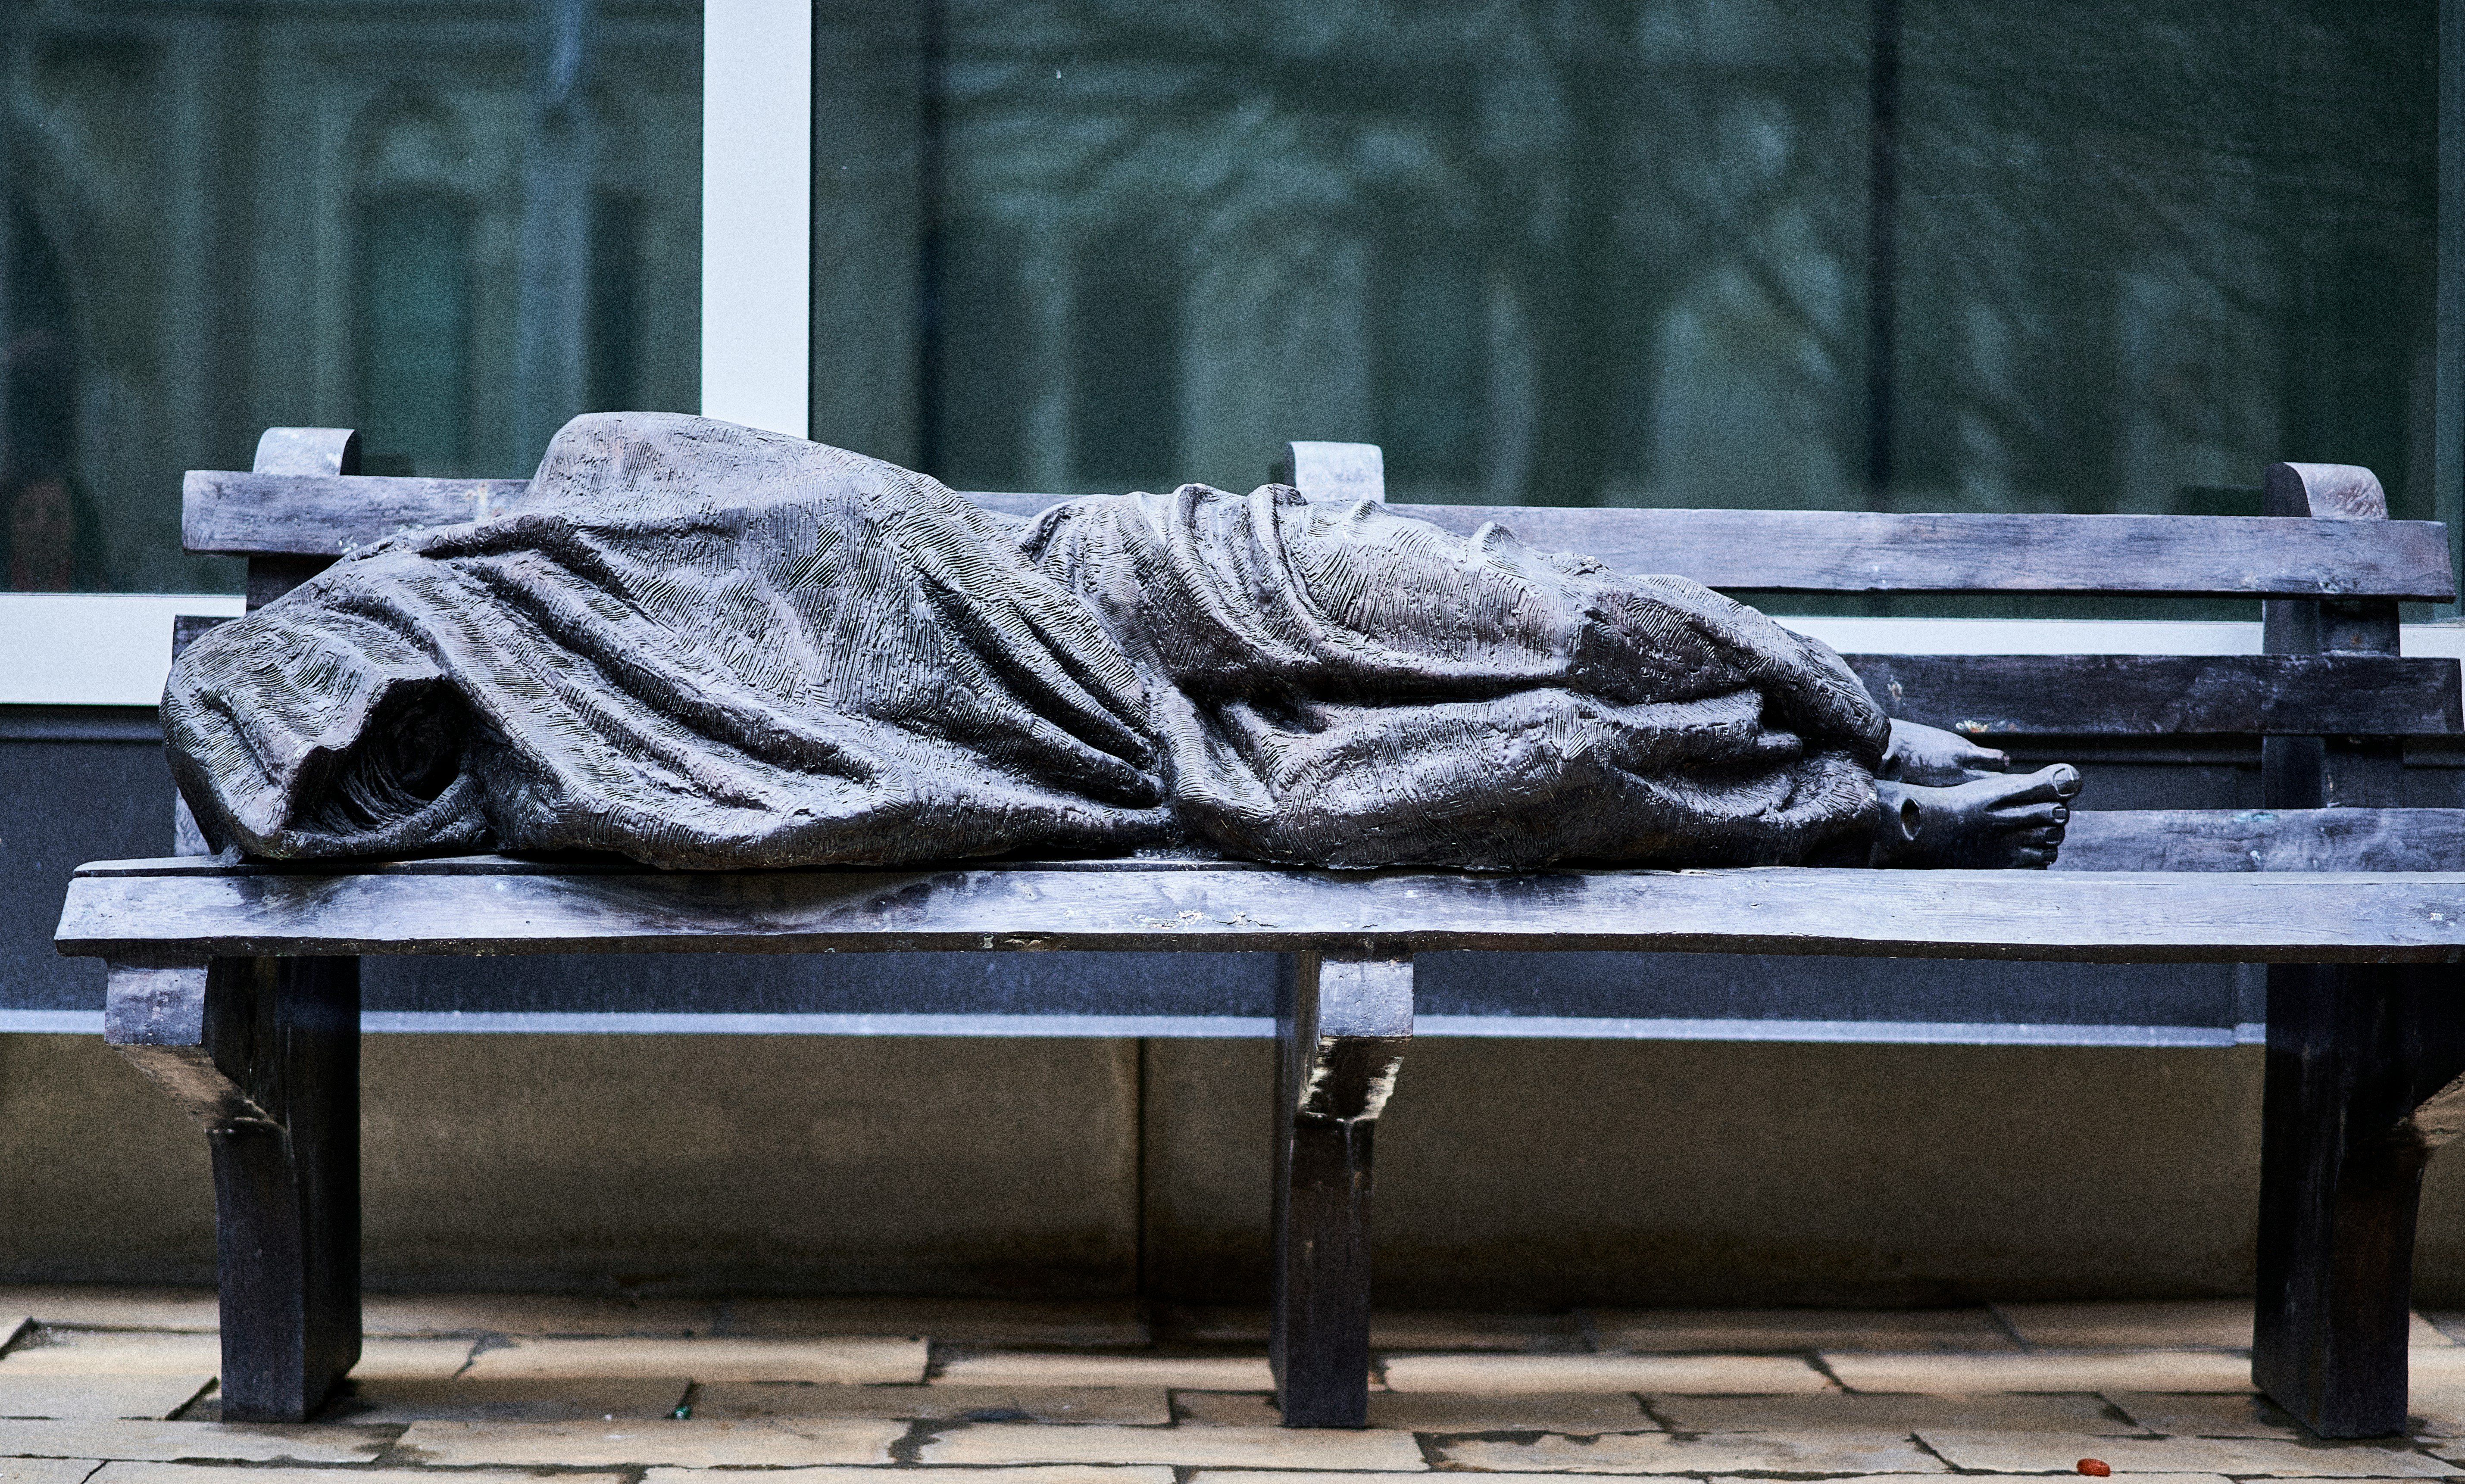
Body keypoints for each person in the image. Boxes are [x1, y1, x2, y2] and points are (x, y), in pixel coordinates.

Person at [164, 412, 2075, 871]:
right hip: (1116, 755)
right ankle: (1856, 811)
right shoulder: (569, 779)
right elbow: (823, 817)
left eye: (368, 726)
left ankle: (1865, 714)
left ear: (375, 620)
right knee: (1484, 770)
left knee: (1538, 620)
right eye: (367, 783)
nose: (397, 764)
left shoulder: (599, 478)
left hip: (1114, 578)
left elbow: (865, 523)